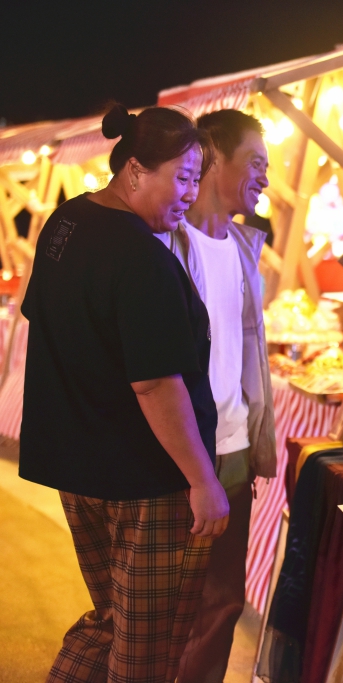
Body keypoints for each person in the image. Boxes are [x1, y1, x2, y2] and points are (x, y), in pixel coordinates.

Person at [19, 104, 228, 682]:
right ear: (135, 169)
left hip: (81, 466)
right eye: (181, 177)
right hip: (144, 481)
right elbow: (155, 382)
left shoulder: (65, 222)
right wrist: (202, 480)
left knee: (112, 620)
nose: (190, 193)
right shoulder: (140, 257)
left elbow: (48, 321)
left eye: (196, 179)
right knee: (147, 646)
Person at [158, 109, 277, 682]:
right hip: (177, 456)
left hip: (233, 451)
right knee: (163, 612)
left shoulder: (246, 248)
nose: (265, 178)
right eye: (255, 162)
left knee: (223, 605)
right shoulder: (164, 245)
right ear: (210, 155)